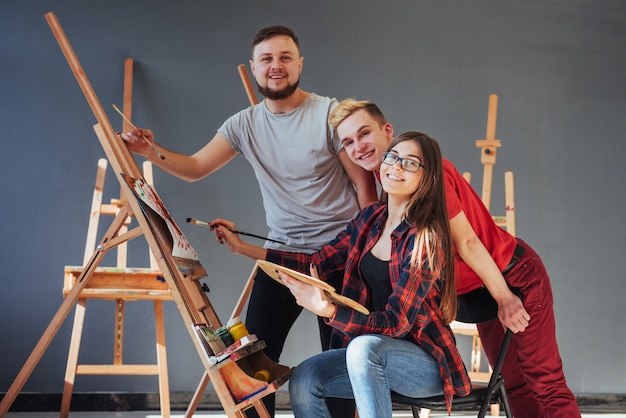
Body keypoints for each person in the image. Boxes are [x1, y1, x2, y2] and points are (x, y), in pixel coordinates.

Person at [121, 27, 377, 417]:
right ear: (255, 68)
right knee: (253, 361)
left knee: (338, 363)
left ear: (300, 63)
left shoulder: (328, 114)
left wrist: (365, 255)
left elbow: (365, 191)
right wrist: (149, 150)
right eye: (267, 59)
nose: (277, 66)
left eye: (285, 57)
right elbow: (194, 167)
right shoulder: (243, 124)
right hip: (281, 258)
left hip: (339, 258)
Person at [328, 98, 581, 418]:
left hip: (511, 274)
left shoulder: (425, 170)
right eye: (348, 142)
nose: (358, 147)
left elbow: (468, 242)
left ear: (387, 130)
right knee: (513, 383)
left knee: (544, 381)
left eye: (364, 134)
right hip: (474, 287)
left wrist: (504, 297)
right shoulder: (388, 175)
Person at [210, 131, 471, 418]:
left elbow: (397, 324)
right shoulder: (370, 220)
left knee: (362, 348)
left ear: (427, 177)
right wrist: (243, 248)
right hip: (371, 357)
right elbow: (316, 261)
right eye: (392, 157)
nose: (395, 167)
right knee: (306, 377)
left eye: (409, 163)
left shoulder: (425, 239)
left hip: (425, 364)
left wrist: (328, 309)